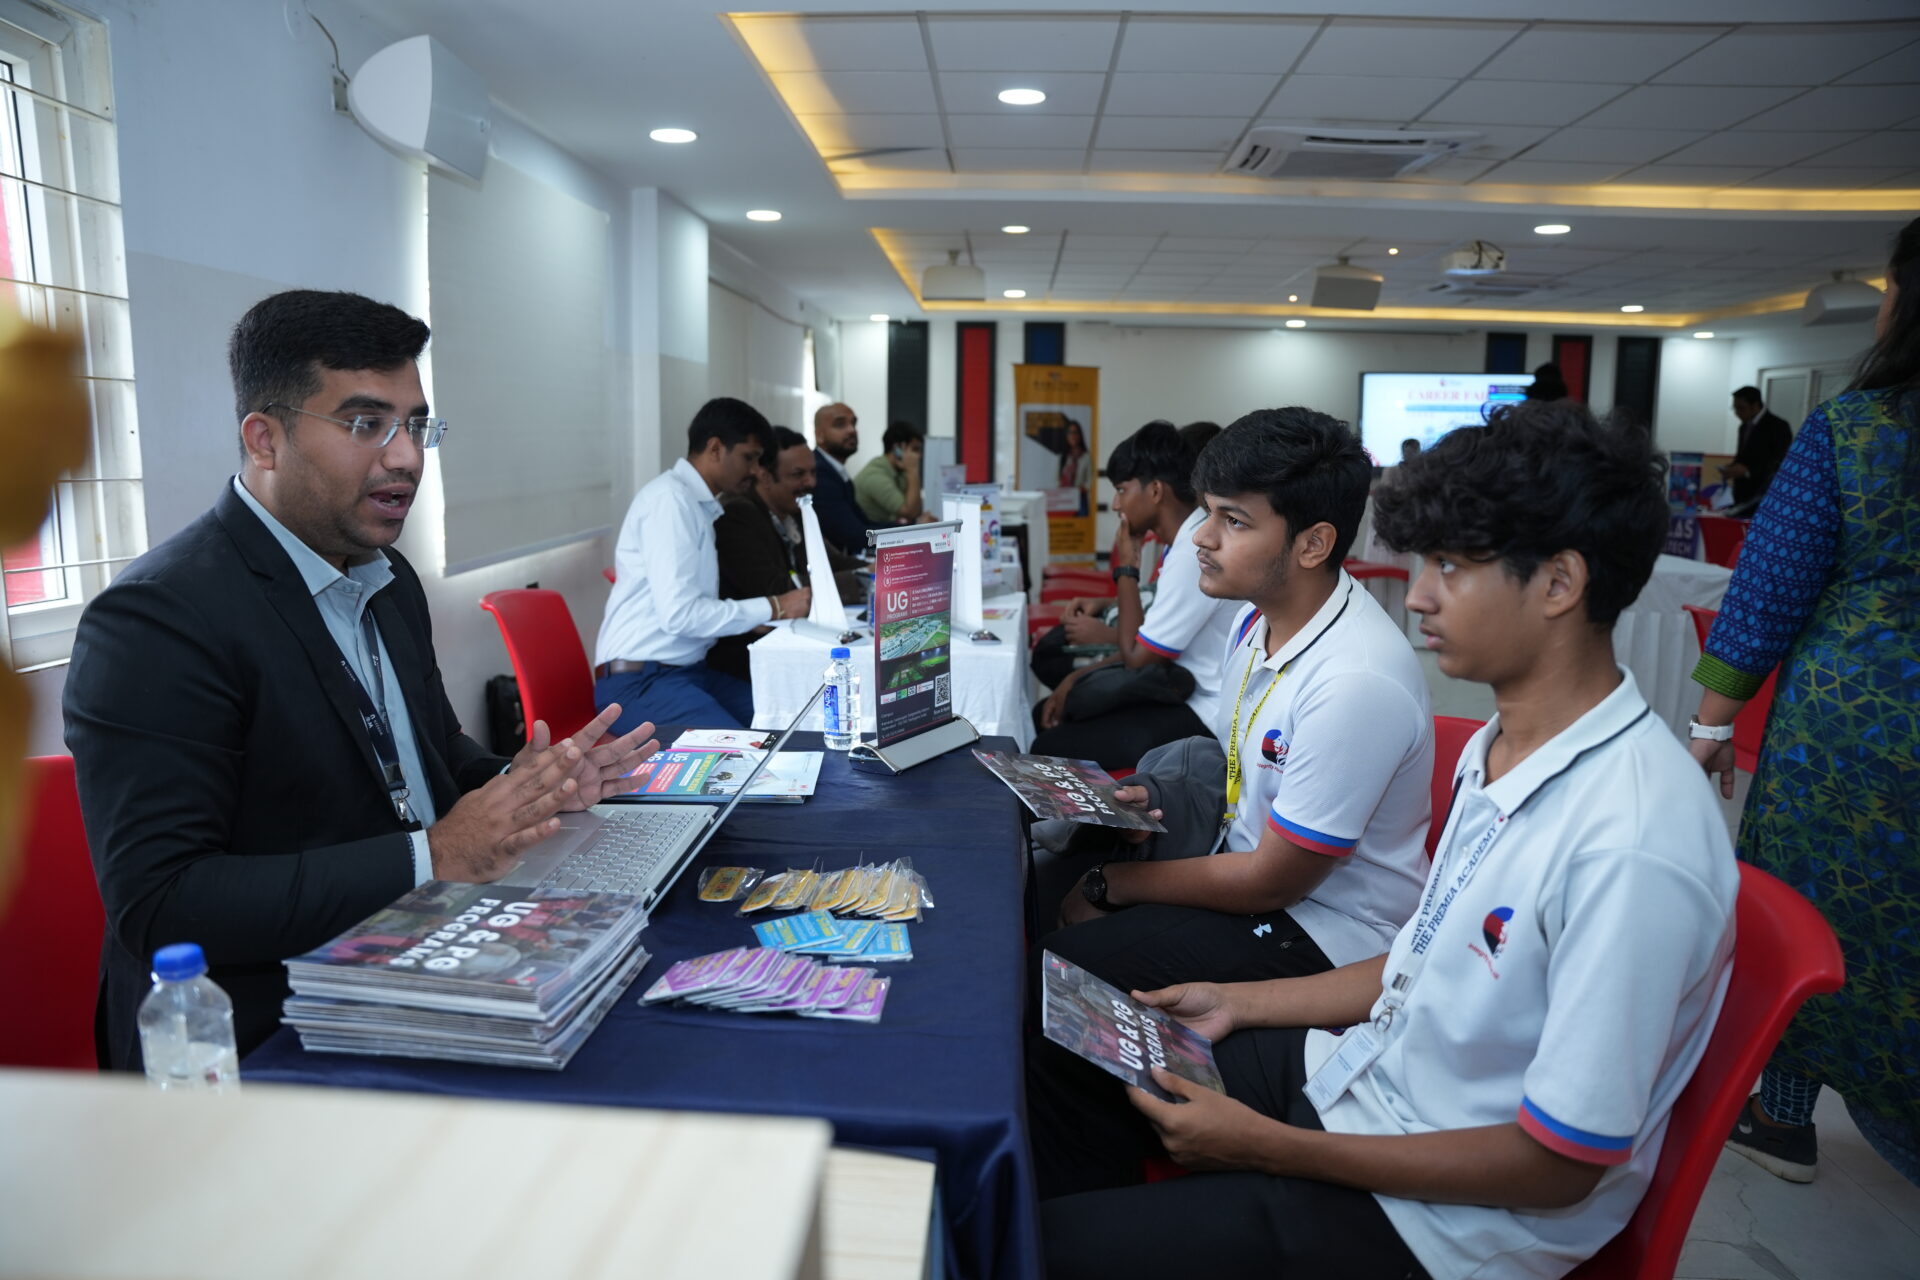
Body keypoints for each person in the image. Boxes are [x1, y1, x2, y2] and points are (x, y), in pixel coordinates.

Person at [1032, 398, 1739, 1280]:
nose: (1425, 594)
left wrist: (1268, 1148)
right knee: (1069, 1041)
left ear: (1559, 584)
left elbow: (1557, 1167)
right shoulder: (1502, 751)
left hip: (1446, 1226)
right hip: (1367, 1078)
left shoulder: (1631, 841)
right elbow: (1423, 961)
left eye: (1452, 565)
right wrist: (1235, 1002)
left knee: (1044, 1253)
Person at [63, 289, 660, 1068]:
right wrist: (435, 856)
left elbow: (430, 757)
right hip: (268, 1035)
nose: (407, 456)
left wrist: (529, 787)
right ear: (265, 439)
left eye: (415, 425)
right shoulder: (159, 620)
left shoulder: (385, 576)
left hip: (424, 964)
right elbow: (165, 904)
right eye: (365, 423)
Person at [1038, 408, 1433, 994]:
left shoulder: (1356, 681)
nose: (1201, 536)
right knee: (1042, 878)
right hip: (1243, 862)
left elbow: (1271, 882)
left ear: (1313, 543)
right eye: (1207, 512)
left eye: (1234, 520)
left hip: (1327, 928)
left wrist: (1113, 883)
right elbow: (1240, 775)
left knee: (1065, 969)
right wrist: (1162, 796)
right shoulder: (1256, 618)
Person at [1691, 216, 1920, 1188]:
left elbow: (1769, 589)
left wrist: (1708, 726)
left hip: (1857, 730)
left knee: (1809, 905)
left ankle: (1783, 1116)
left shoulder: (1861, 429)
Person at [1031, 422, 1238, 770]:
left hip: (1204, 711)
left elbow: (1136, 657)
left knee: (1048, 746)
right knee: (1051, 708)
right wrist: (1076, 678)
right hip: (1177, 683)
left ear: (1155, 491)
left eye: (1122, 490)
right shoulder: (1187, 540)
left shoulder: (1193, 551)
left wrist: (1127, 567)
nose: (1115, 504)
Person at [594, 398, 809, 734]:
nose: (755, 470)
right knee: (746, 758)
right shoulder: (671, 502)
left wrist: (757, 617)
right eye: (748, 457)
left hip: (687, 672)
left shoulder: (697, 505)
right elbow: (680, 615)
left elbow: (693, 609)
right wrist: (775, 607)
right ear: (715, 448)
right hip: (640, 683)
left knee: (793, 722)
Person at [708, 426, 867, 681]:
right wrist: (861, 578)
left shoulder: (795, 511)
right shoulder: (738, 515)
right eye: (798, 474)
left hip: (795, 644)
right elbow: (779, 590)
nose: (811, 483)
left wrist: (874, 570)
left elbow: (833, 561)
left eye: (813, 472)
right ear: (765, 475)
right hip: (747, 661)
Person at [808, 401, 878, 555]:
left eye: (853, 423)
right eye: (840, 425)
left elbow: (864, 524)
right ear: (819, 435)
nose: (852, 430)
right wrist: (912, 533)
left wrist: (913, 527)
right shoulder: (820, 473)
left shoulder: (837, 471)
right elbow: (854, 535)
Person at [1720, 385, 1792, 514]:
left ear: (1755, 405)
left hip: (1763, 495)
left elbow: (1780, 461)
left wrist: (1748, 471)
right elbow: (1742, 457)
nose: (1737, 413)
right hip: (1741, 495)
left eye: (1741, 409)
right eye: (1735, 409)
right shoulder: (1744, 427)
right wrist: (1731, 468)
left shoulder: (1778, 426)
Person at [854, 420, 928, 524]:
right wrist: (912, 471)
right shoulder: (875, 476)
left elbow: (915, 510)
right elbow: (910, 512)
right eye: (915, 449)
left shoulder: (898, 472)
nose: (920, 456)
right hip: (867, 536)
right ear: (897, 449)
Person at [1058, 419, 1093, 514]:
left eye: (1075, 432)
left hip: (1080, 499)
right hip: (1064, 498)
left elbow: (1090, 480)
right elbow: (1056, 479)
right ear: (1066, 436)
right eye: (1070, 433)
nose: (1073, 436)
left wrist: (1081, 489)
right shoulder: (1062, 457)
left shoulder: (1086, 457)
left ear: (1080, 435)